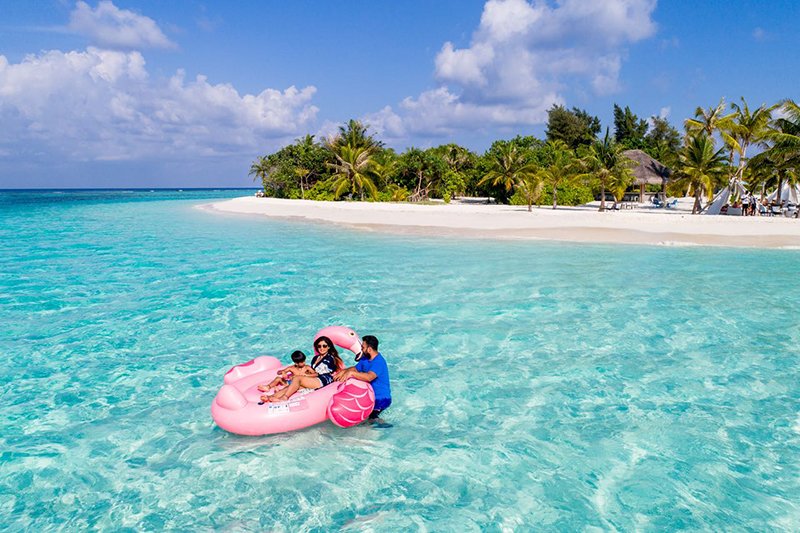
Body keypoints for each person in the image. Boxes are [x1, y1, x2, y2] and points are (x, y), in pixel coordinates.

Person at [265, 336, 343, 402]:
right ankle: (272, 397)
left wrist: (305, 376)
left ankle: (285, 397)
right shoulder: (316, 358)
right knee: (293, 386)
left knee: (298, 379)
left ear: (329, 347)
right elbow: (314, 371)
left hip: (323, 380)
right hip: (315, 378)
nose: (321, 348)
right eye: (319, 346)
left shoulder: (330, 358)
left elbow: (319, 373)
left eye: (324, 346)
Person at [335, 335, 391, 420]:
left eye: (363, 347)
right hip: (369, 397)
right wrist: (344, 371)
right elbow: (355, 368)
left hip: (381, 399)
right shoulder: (365, 359)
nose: (361, 349)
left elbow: (369, 377)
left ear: (369, 349)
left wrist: (351, 374)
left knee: (371, 419)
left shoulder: (379, 362)